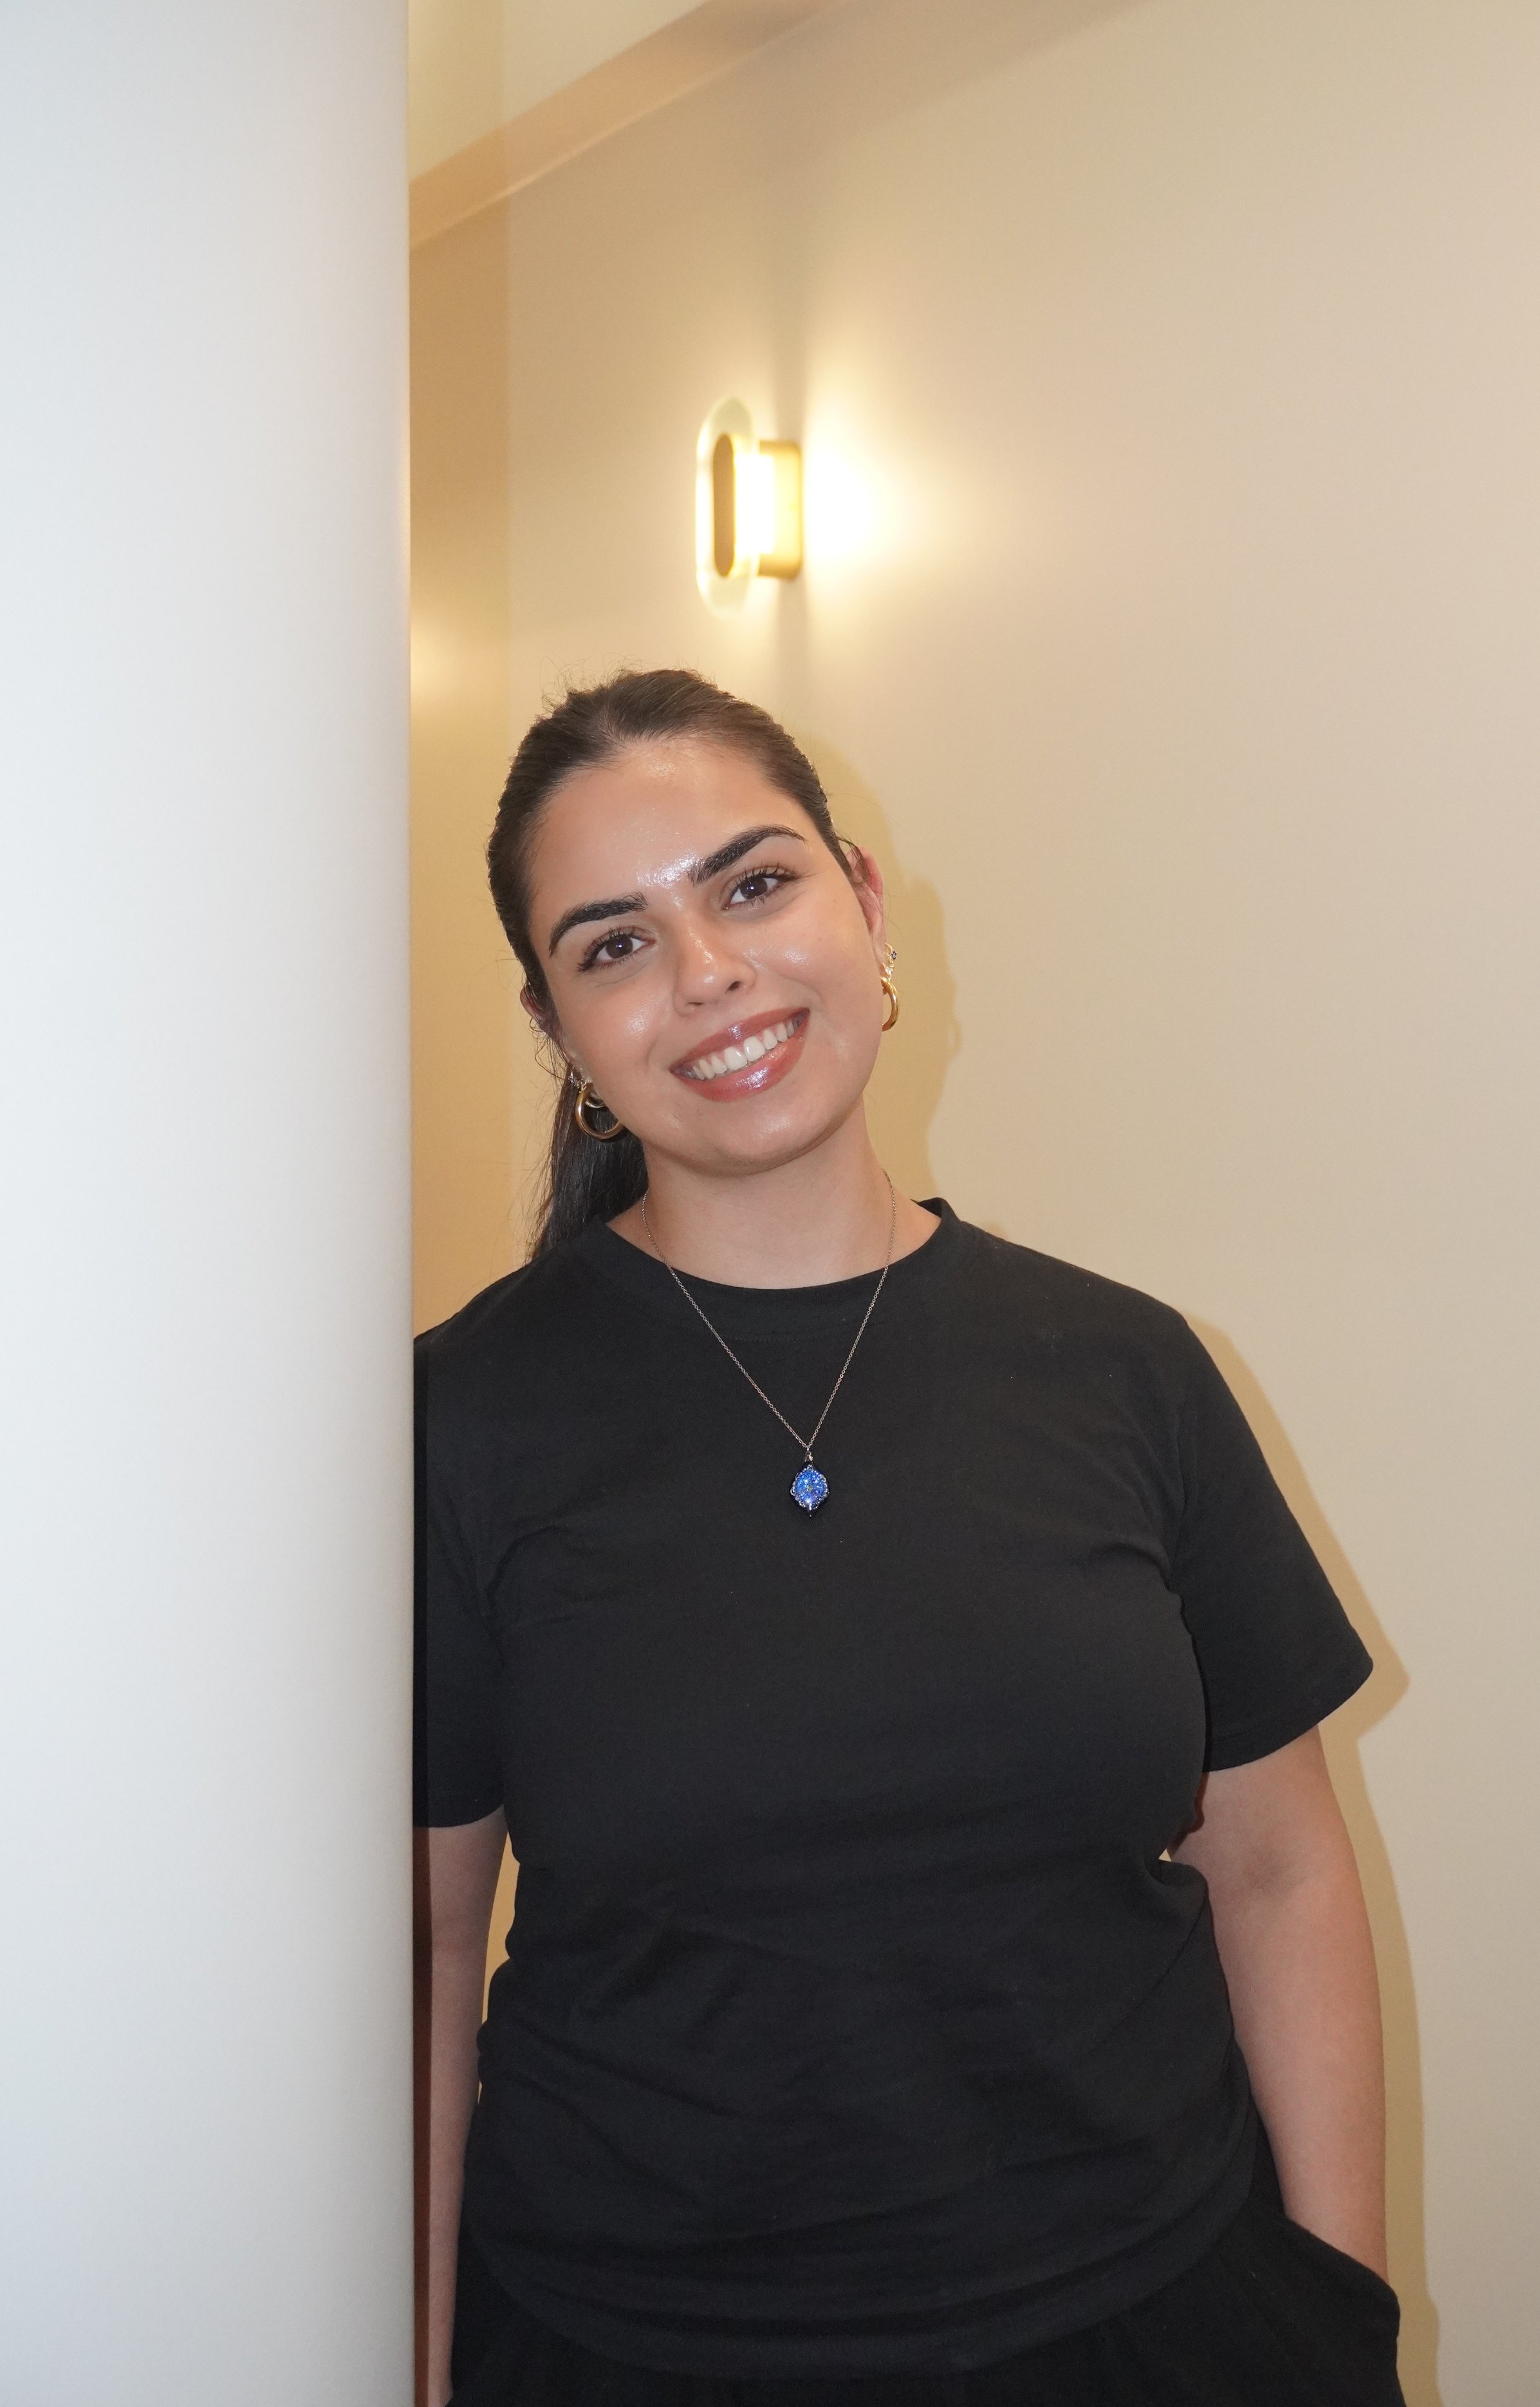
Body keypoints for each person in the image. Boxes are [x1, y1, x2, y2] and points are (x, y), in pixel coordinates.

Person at [414, 669, 1404, 2407]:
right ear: (558, 1029)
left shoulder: (1123, 1366)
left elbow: (1279, 1867)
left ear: (864, 904)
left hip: (1157, 2320)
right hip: (630, 2349)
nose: (708, 971)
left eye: (750, 884)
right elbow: (418, 1958)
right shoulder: (460, 1420)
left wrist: (1337, 2321)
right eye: (612, 944)